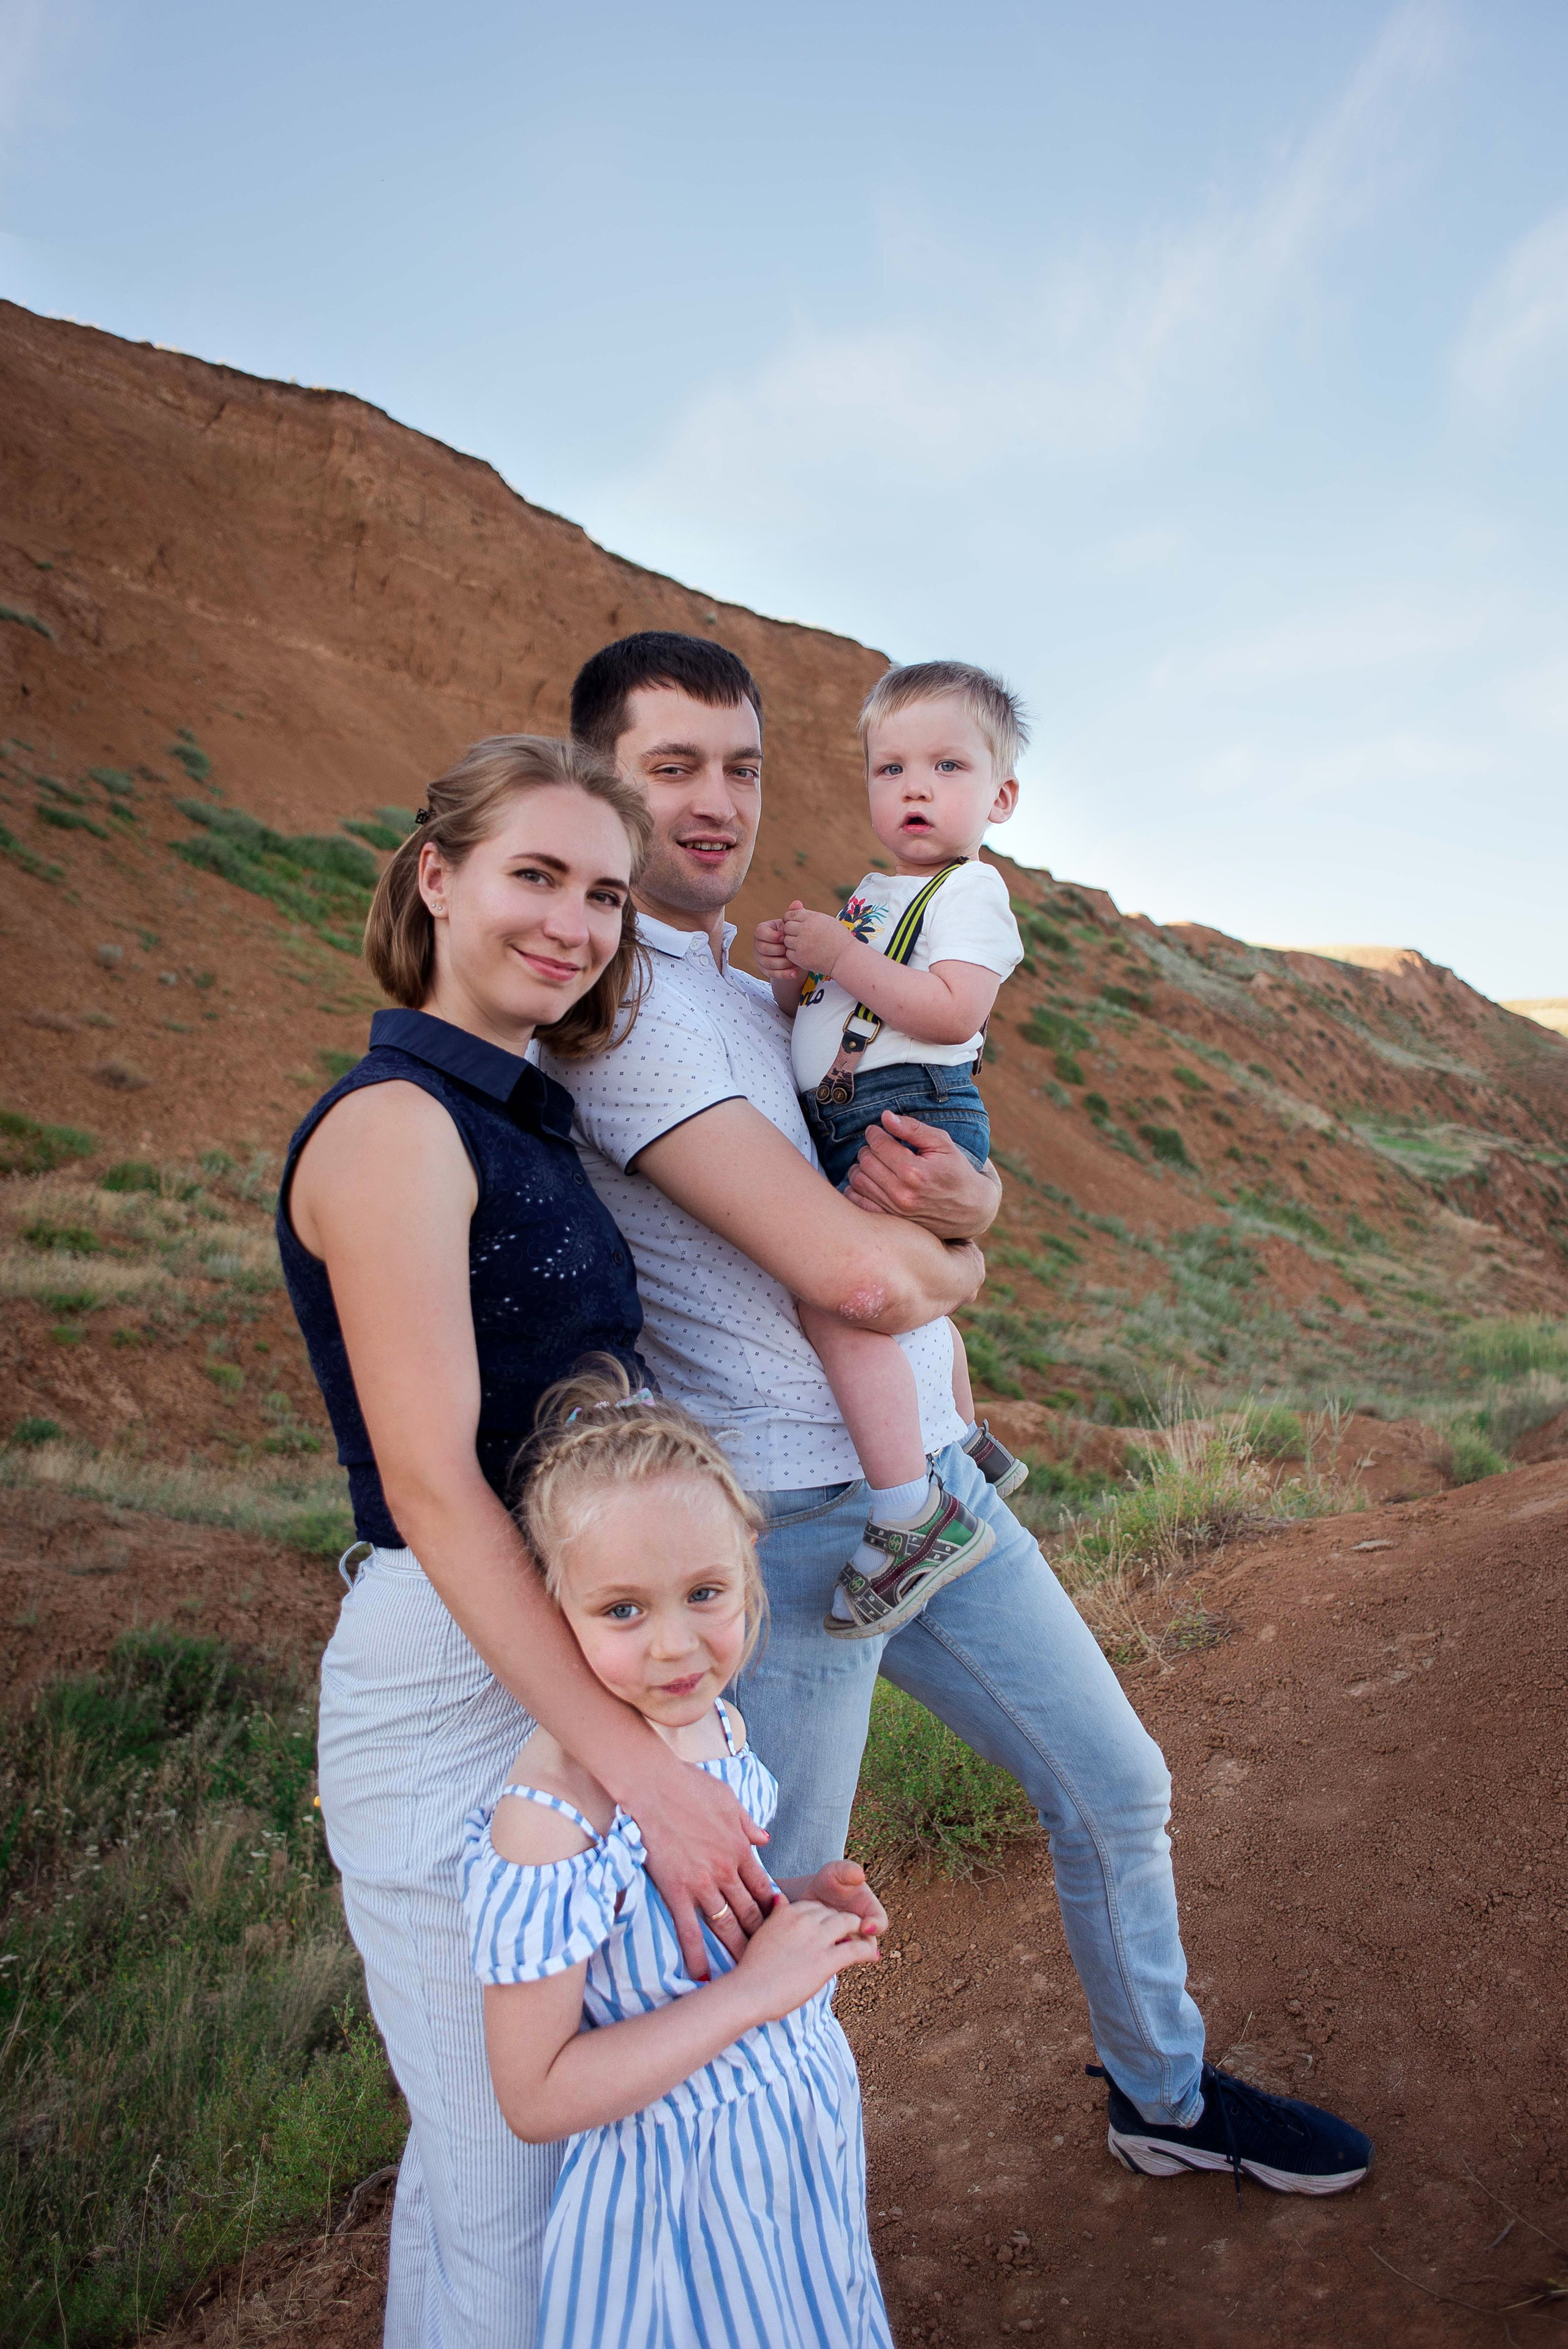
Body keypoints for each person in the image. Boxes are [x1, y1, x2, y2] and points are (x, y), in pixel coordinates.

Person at [541, 632, 1373, 2197]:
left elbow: (903, 1186)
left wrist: (972, 1205)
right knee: (775, 1906)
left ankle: (1161, 2095)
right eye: (671, 769)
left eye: (740, 768)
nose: (715, 803)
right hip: (787, 1528)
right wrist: (968, 1258)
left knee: (1114, 1786)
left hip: (925, 1488)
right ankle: (731, 2224)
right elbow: (859, 1277)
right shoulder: (627, 1012)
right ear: (599, 780)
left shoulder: (749, 987)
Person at [277, 736, 783, 2349]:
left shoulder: (517, 1117)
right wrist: (647, 1778)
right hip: (452, 1650)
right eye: (536, 876)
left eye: (606, 895)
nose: (573, 924)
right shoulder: (394, 1124)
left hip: (543, 1642)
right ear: (437, 877)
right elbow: (435, 1485)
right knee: (515, 2176)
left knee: (481, 2170)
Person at [464, 1362, 892, 2349]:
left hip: (790, 2144)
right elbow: (536, 2095)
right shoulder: (551, 1819)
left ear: (749, 1564)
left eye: (705, 1593)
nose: (674, 1647)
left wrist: (794, 1900)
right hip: (678, 2202)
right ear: (552, 1607)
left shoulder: (715, 1725)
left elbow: (672, 1930)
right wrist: (755, 1994)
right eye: (623, 1610)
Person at [755, 660, 1030, 1640]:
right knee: (903, 1290)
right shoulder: (876, 893)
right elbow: (837, 1009)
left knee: (835, 1297)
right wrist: (795, 981)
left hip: (909, 1111)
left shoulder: (973, 891)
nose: (916, 788)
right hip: (857, 1110)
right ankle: (965, 1441)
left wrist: (841, 954)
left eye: (948, 767)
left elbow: (952, 1012)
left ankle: (912, 1511)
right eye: (891, 769)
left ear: (999, 798)